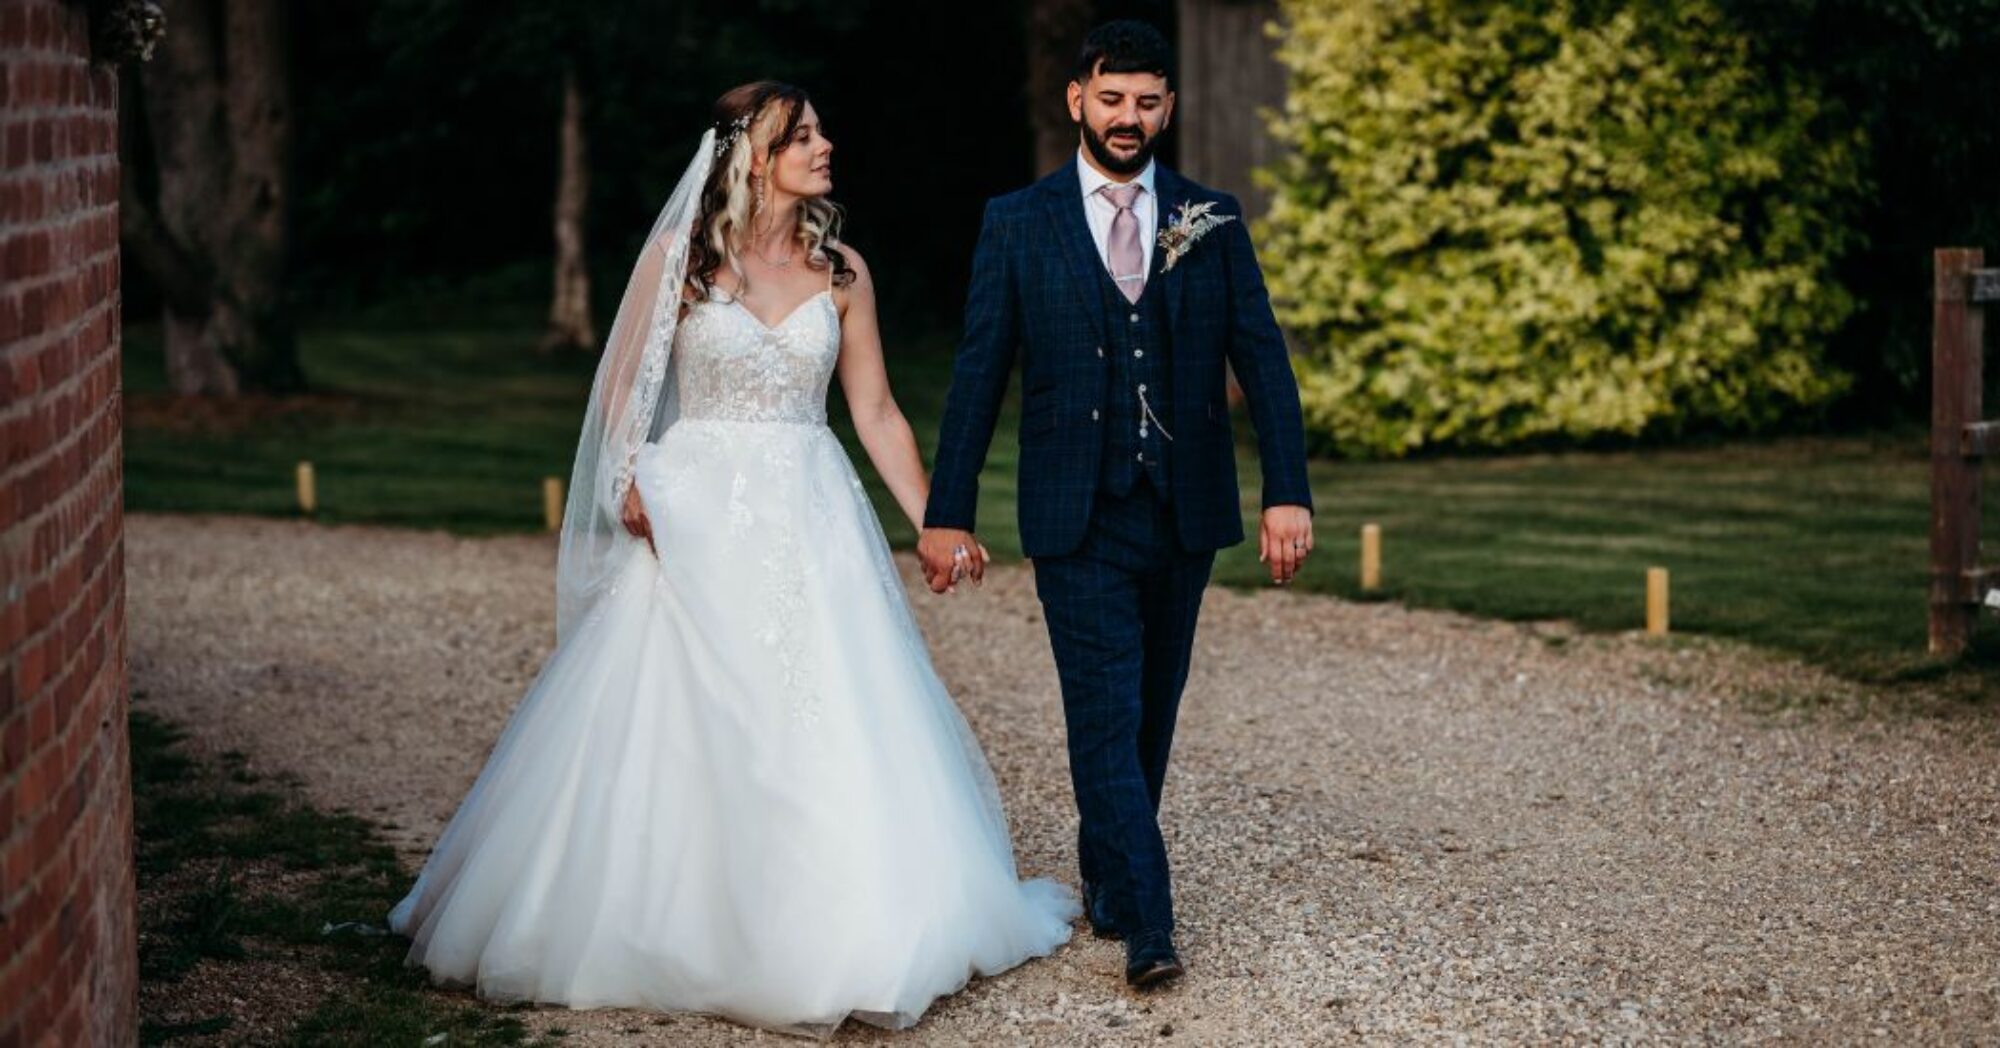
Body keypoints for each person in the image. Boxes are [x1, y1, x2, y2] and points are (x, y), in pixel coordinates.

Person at [385, 80, 1078, 1038]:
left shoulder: (843, 272)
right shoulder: (682, 260)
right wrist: (628, 478)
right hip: (697, 511)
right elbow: (623, 384)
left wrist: (935, 516)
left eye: (822, 130)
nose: (826, 144)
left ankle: (836, 925)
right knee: (679, 708)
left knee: (825, 699)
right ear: (755, 155)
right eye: (803, 135)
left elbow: (873, 412)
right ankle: (665, 920)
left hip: (810, 512)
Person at [917, 21, 1316, 989]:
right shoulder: (1016, 222)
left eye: (1145, 102)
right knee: (1102, 712)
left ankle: (1106, 873)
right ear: (1076, 101)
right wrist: (946, 509)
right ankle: (1150, 924)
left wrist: (1287, 493)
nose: (1127, 118)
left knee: (1148, 715)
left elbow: (1259, 359)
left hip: (1183, 509)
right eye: (1110, 99)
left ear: (1166, 108)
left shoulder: (1208, 217)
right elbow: (978, 375)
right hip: (1074, 512)